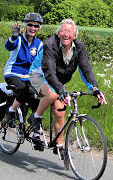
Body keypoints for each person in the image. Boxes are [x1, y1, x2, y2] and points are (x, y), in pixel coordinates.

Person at [28, 19, 105, 158]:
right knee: (52, 95)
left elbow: (85, 69)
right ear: (58, 33)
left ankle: (59, 144)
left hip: (57, 81)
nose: (66, 34)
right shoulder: (50, 45)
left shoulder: (79, 47)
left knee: (60, 112)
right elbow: (49, 71)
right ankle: (36, 117)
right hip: (39, 74)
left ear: (74, 35)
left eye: (69, 32)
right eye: (63, 31)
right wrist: (61, 91)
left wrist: (94, 88)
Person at [1, 13, 43, 134]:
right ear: (26, 25)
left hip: (29, 76)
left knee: (36, 100)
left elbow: (40, 63)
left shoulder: (39, 44)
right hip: (13, 73)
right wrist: (13, 37)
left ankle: (36, 133)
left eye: (36, 26)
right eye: (30, 25)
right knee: (23, 90)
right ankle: (11, 110)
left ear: (39, 28)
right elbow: (8, 46)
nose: (33, 28)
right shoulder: (18, 39)